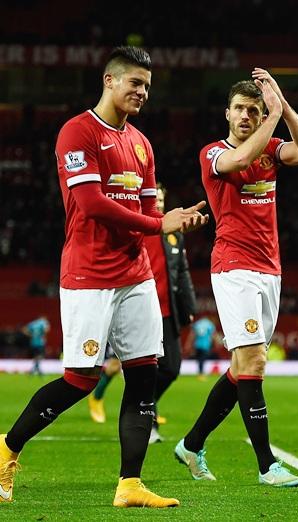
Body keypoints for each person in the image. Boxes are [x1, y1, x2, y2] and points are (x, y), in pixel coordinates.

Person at [0, 46, 208, 507]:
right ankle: (6, 448)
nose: (142, 92)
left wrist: (173, 221)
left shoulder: (142, 143)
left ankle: (129, 484)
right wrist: (160, 224)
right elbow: (93, 203)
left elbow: (149, 207)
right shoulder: (77, 132)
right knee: (80, 379)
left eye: (148, 86)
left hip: (135, 276)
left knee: (143, 374)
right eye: (134, 83)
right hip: (89, 274)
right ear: (109, 80)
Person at [173, 69, 298, 487]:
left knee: (242, 367)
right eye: (239, 109)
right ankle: (266, 465)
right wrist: (271, 116)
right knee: (254, 361)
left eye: (253, 111)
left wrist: (284, 108)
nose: (246, 116)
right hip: (233, 267)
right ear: (227, 113)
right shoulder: (212, 153)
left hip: (270, 268)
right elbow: (237, 160)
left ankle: (192, 443)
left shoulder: (272, 148)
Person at [87, 183, 198, 445]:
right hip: (136, 310)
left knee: (171, 369)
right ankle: (143, 418)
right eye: (154, 200)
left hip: (167, 311)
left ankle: (142, 406)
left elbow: (181, 272)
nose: (158, 204)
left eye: (161, 200)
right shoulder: (131, 228)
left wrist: (189, 306)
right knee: (137, 369)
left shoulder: (173, 234)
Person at [187, 315, 217, 380]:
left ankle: (200, 373)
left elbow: (192, 335)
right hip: (205, 345)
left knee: (199, 359)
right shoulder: (209, 324)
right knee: (202, 359)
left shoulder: (197, 323)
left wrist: (189, 344)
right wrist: (215, 343)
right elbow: (213, 335)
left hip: (197, 344)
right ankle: (201, 374)